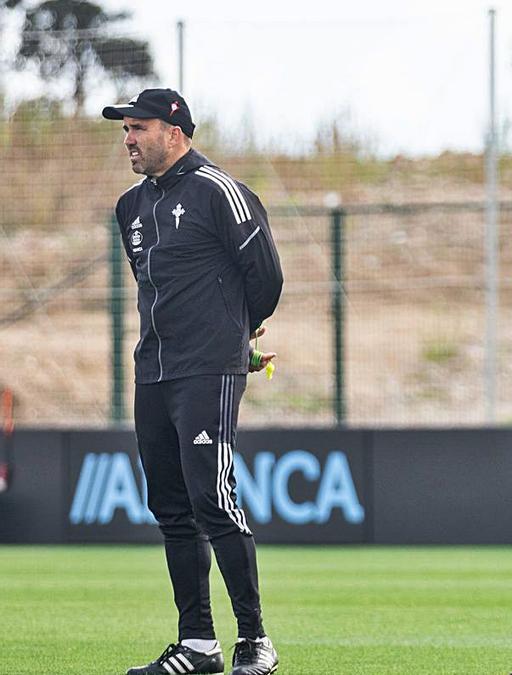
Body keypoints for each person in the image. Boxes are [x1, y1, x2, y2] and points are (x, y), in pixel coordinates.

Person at [104, 88, 284, 675]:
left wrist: (237, 337)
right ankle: (198, 644)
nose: (128, 139)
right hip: (152, 370)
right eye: (125, 129)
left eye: (139, 127)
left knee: (213, 499)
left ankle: (255, 641)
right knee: (170, 506)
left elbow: (266, 279)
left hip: (209, 368)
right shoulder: (129, 206)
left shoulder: (220, 191)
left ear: (175, 130)